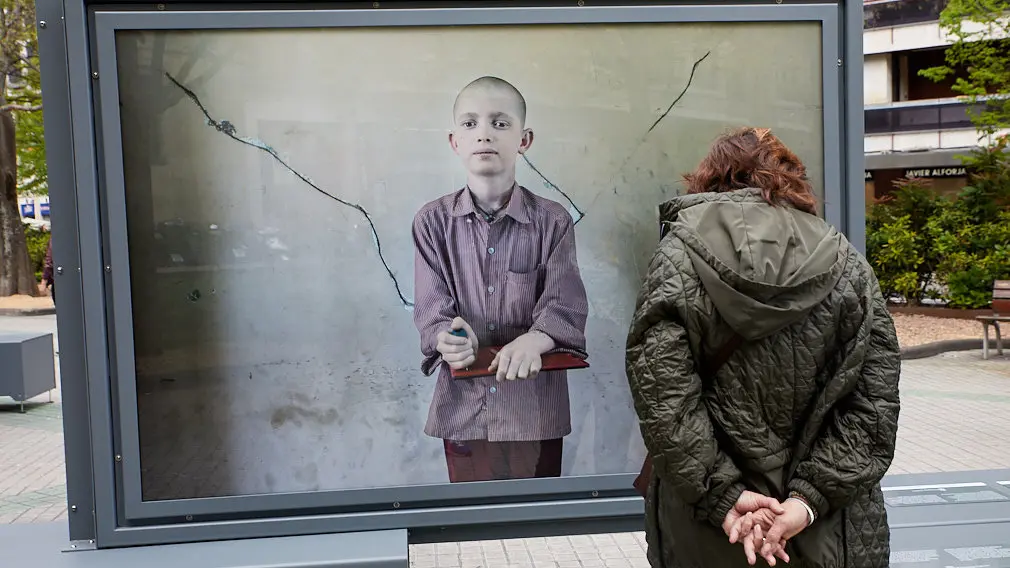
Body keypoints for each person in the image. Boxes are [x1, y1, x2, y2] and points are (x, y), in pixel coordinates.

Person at [625, 127, 901, 568]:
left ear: (710, 179)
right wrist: (805, 502)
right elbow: (873, 405)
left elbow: (664, 397)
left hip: (710, 530)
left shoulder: (678, 257)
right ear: (792, 180)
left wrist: (725, 496)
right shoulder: (849, 264)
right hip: (827, 531)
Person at [412, 76, 589, 483]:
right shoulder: (432, 223)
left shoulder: (553, 221)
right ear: (454, 140)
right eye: (470, 124)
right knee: (473, 528)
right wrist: (452, 337)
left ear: (524, 139)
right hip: (464, 410)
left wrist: (536, 339)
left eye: (500, 123)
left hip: (534, 411)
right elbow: (432, 310)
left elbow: (565, 303)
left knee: (538, 525)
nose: (485, 134)